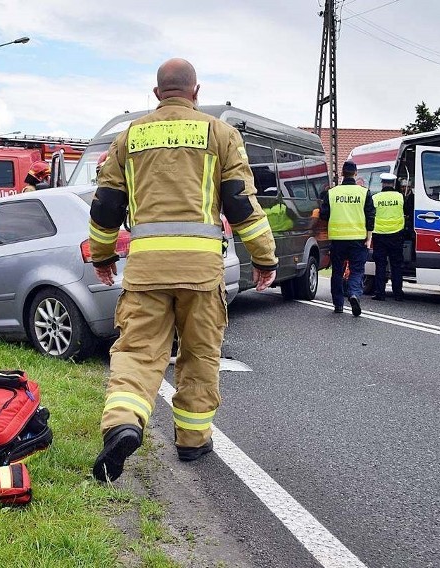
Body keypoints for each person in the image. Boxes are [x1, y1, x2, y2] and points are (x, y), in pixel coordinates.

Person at [88, 58, 277, 482]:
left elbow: (105, 207)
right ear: (196, 92)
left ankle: (123, 423)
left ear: (157, 94)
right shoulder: (219, 134)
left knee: (137, 354)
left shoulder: (129, 138)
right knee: (199, 355)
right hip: (201, 272)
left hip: (146, 271)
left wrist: (103, 257)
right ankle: (192, 441)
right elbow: (242, 205)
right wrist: (264, 258)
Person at [319, 161, 375, 316]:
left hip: (337, 239)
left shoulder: (332, 193)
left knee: (337, 271)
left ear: (342, 174)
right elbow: (371, 217)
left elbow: (324, 214)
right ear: (355, 174)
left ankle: (338, 305)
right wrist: (368, 237)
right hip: (358, 238)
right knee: (357, 270)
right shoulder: (364, 193)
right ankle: (353, 293)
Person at [371, 172, 405, 301]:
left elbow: (371, 215)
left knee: (380, 265)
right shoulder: (400, 197)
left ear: (382, 183)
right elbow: (406, 211)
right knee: (396, 265)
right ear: (393, 183)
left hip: (379, 235)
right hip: (396, 234)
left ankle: (380, 293)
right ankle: (398, 293)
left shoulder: (376, 198)